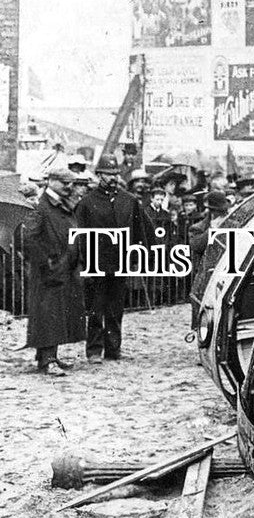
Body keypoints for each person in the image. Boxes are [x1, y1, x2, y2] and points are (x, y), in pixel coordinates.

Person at [74, 154, 148, 363]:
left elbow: (139, 230)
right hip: (96, 264)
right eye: (108, 174)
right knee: (96, 309)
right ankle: (94, 350)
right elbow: (78, 235)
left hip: (120, 263)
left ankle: (114, 349)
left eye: (115, 173)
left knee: (116, 309)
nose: (113, 178)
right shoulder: (87, 203)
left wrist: (137, 256)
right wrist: (82, 263)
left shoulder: (129, 201)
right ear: (99, 175)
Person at [22, 168, 86, 376]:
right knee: (48, 314)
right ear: (51, 181)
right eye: (64, 183)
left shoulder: (62, 205)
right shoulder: (40, 207)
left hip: (63, 268)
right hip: (47, 272)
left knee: (57, 314)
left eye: (71, 183)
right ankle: (47, 359)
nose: (69, 186)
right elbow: (29, 239)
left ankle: (50, 355)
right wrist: (46, 263)